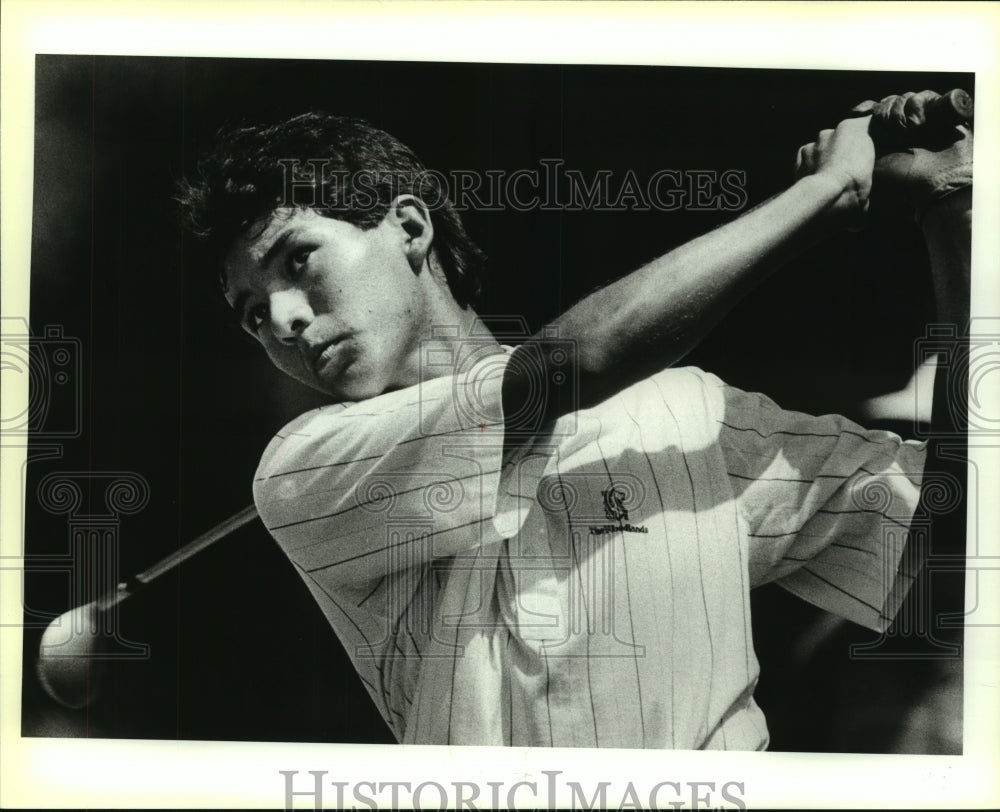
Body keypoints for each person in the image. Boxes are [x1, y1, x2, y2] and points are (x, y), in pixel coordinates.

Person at [178, 91, 972, 749]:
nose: (281, 318)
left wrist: (955, 211)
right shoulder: (303, 471)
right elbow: (570, 367)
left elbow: (956, 567)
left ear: (410, 228)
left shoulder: (689, 413)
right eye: (250, 314)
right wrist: (824, 193)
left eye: (297, 259)